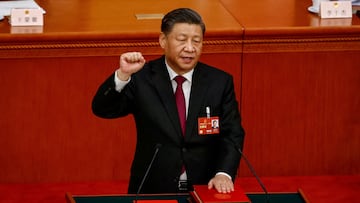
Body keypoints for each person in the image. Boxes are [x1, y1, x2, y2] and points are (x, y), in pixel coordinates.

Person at [92, 8, 245, 194]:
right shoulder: (142, 78)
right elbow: (102, 109)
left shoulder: (219, 82)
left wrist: (224, 173)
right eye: (182, 40)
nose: (190, 48)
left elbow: (232, 133)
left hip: (205, 187)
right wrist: (123, 75)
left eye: (196, 41)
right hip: (153, 187)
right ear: (163, 41)